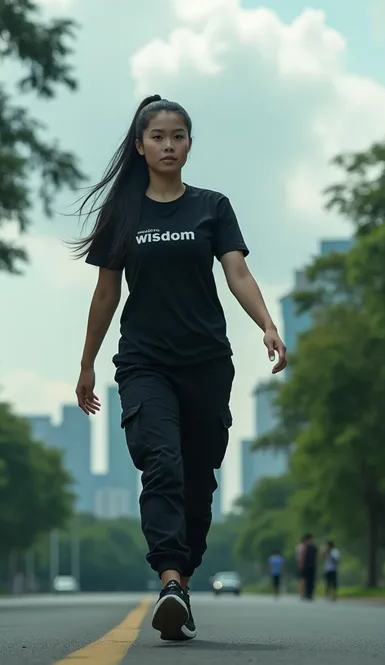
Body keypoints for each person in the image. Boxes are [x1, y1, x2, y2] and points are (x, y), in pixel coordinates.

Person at [73, 95, 287, 642]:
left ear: (190, 144)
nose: (169, 145)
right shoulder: (123, 214)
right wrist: (87, 365)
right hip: (144, 363)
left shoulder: (212, 207)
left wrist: (267, 324)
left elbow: (237, 272)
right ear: (141, 146)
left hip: (208, 363)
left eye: (178, 136)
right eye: (158, 137)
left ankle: (181, 586)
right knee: (162, 463)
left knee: (198, 480)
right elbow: (105, 294)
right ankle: (169, 578)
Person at [301, 533, 318, 600]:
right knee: (307, 580)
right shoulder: (305, 547)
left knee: (311, 580)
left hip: (312, 565)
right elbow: (303, 556)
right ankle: (307, 593)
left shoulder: (314, 547)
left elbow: (316, 556)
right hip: (306, 565)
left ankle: (310, 594)